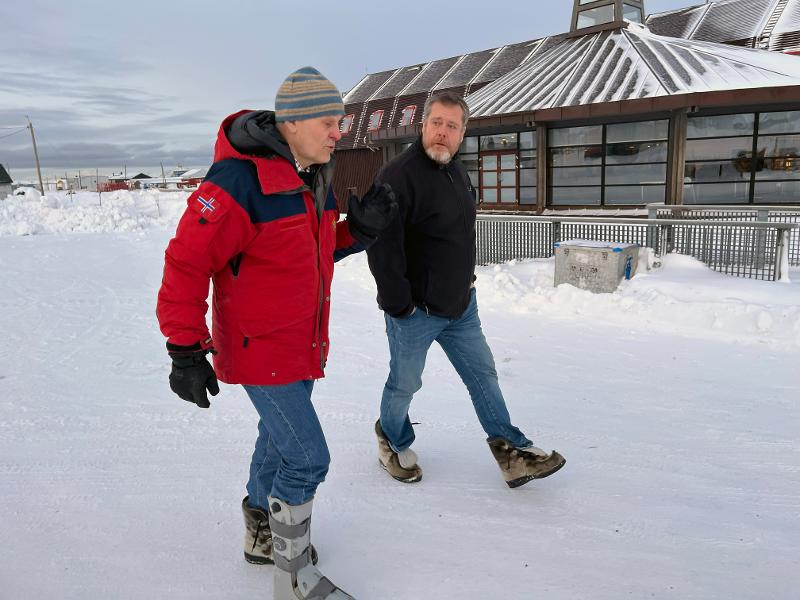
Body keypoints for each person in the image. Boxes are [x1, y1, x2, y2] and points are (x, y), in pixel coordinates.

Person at [156, 66, 396, 600]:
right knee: (308, 457)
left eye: (341, 122)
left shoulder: (315, 175)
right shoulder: (237, 182)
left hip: (301, 342)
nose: (340, 133)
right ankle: (292, 577)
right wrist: (184, 348)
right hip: (258, 346)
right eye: (330, 122)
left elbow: (311, 252)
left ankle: (262, 529)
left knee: (276, 440)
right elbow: (186, 264)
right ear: (291, 123)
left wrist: (360, 230)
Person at [365, 91, 565, 489]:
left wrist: (464, 287)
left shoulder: (456, 172)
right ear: (423, 126)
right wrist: (399, 306)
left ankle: (512, 451)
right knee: (405, 384)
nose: (442, 132)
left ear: (462, 133)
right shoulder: (397, 177)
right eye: (436, 123)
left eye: (451, 126)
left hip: (461, 307)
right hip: (416, 311)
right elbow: (382, 248)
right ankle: (392, 440)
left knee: (483, 376)